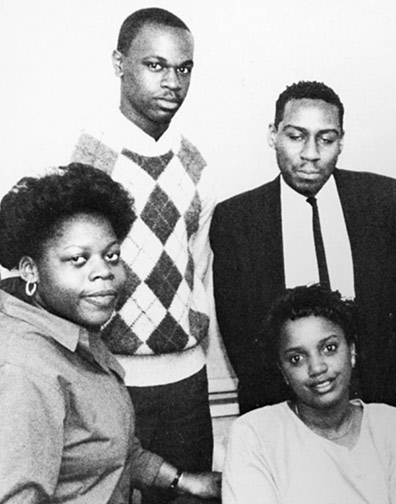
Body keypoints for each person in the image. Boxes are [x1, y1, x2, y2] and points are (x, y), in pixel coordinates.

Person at [0, 163, 220, 503]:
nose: (103, 271)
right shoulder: (24, 370)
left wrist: (185, 481)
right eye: (78, 259)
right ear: (31, 270)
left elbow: (112, 452)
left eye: (112, 255)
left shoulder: (77, 332)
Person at [67, 8, 217, 503]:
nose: (172, 82)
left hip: (188, 380)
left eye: (184, 68)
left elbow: (200, 270)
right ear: (119, 63)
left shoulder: (196, 161)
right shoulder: (87, 161)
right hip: (114, 379)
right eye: (155, 65)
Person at [210, 80, 396, 415]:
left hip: (372, 403)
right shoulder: (236, 219)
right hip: (281, 410)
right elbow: (241, 338)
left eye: (326, 139)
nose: (311, 154)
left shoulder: (382, 200)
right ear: (273, 135)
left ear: (341, 141)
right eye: (296, 136)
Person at [222, 284, 396, 504]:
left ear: (352, 351)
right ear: (283, 372)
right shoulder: (254, 435)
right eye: (297, 359)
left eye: (329, 348)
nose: (317, 368)